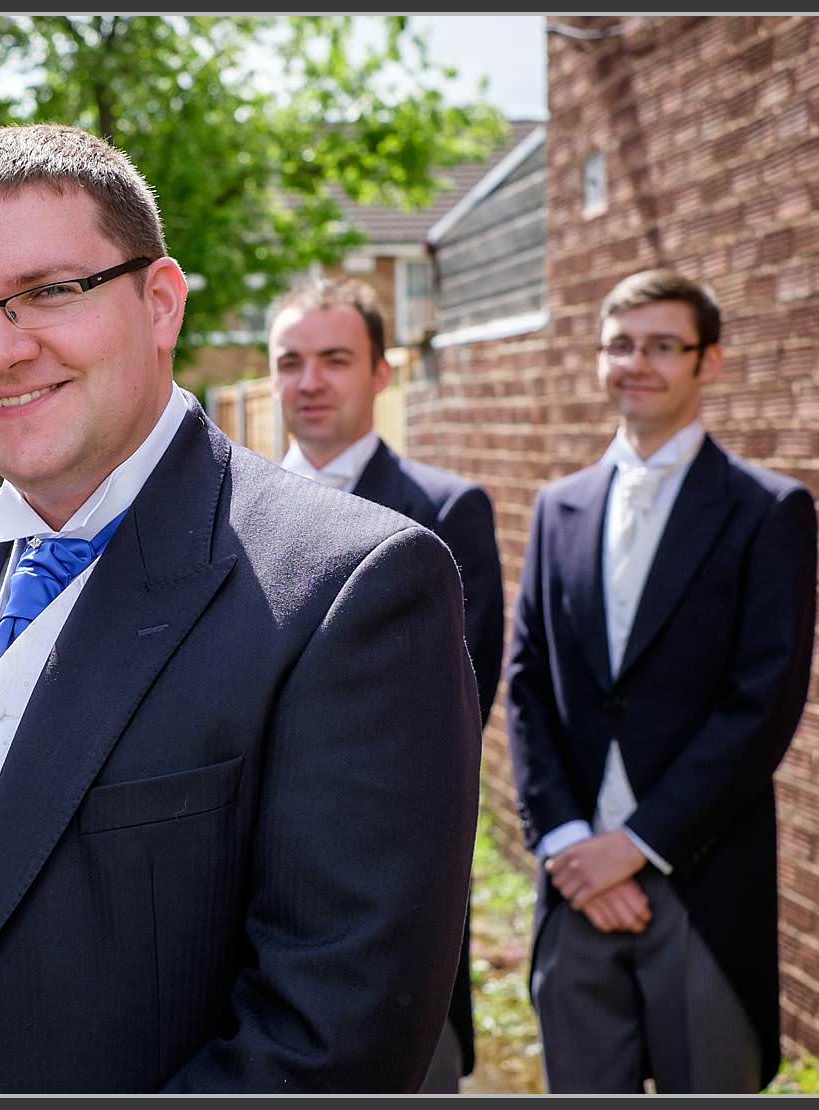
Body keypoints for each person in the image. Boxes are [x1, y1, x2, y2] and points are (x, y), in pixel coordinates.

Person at [0, 123, 481, 1092]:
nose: (0, 349)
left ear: (160, 302)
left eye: (51, 291)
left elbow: (324, 1038)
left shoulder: (353, 589)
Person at [505, 268, 818, 1092]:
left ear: (707, 361)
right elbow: (527, 682)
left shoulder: (768, 509)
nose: (636, 364)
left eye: (662, 347)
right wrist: (571, 843)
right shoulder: (556, 507)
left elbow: (763, 705)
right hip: (573, 886)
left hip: (702, 883)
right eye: (620, 345)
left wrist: (636, 848)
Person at [267, 276, 502, 1091]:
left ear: (382, 373)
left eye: (335, 359)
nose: (310, 381)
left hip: (389, 900)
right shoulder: (225, 512)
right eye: (290, 361)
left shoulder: (446, 510)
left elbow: (454, 721)